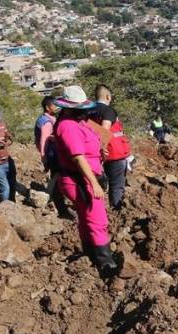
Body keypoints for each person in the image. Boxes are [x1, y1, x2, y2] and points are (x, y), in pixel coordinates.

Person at [53, 86, 117, 276]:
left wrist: (100, 152)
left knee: (86, 218)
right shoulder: (68, 126)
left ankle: (90, 255)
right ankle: (106, 264)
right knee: (97, 220)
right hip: (80, 180)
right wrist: (94, 183)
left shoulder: (79, 122)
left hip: (86, 176)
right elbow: (78, 158)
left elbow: (90, 145)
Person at [92, 85, 131, 209]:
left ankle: (98, 210)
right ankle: (116, 211)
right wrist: (102, 149)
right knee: (116, 185)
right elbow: (104, 131)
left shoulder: (88, 110)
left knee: (97, 184)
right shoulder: (108, 111)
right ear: (108, 96)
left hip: (93, 154)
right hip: (113, 153)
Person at [35, 95, 73, 218]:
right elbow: (44, 141)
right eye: (54, 105)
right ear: (47, 107)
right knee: (58, 177)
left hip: (54, 153)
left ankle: (56, 199)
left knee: (57, 177)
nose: (57, 107)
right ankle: (58, 203)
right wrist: (44, 157)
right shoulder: (46, 122)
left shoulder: (47, 119)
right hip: (52, 154)